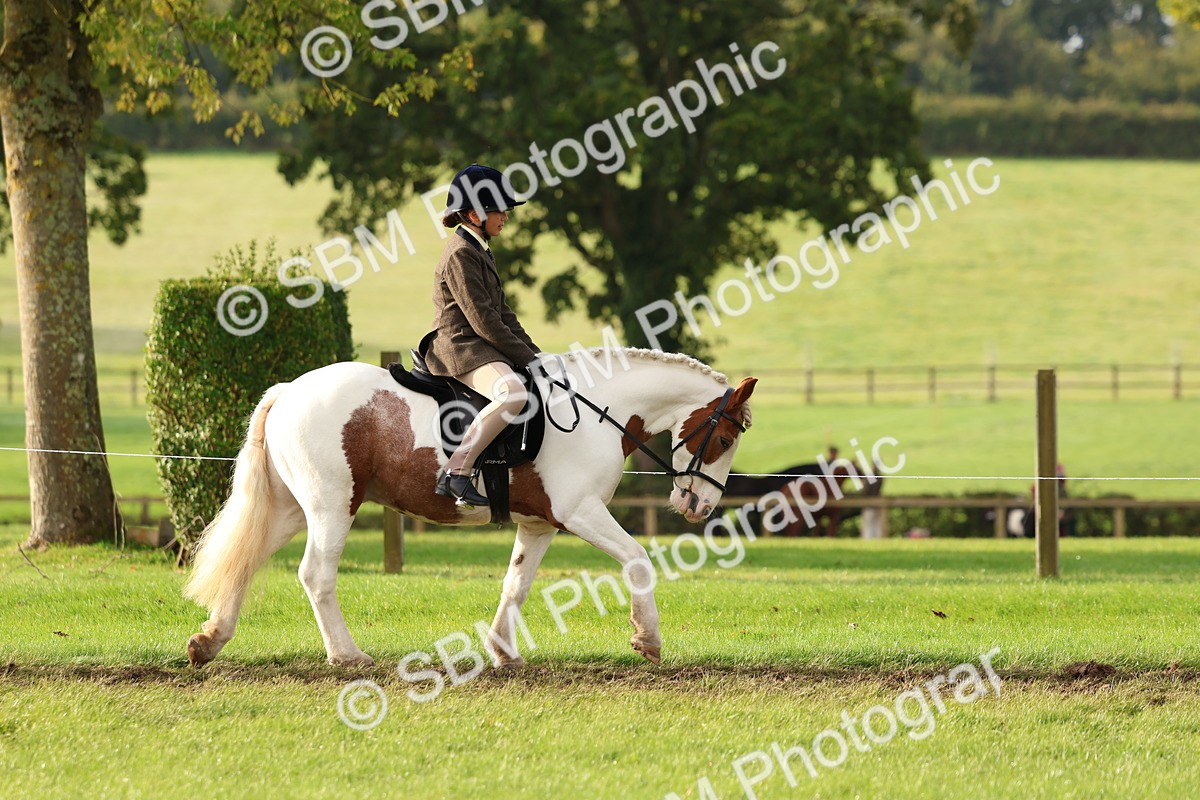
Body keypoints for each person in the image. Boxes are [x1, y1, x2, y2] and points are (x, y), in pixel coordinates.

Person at [422, 164, 542, 508]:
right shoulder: (461, 253)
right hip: (460, 347)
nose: (505, 216)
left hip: (479, 345)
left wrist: (539, 355)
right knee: (513, 393)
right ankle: (456, 473)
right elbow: (483, 321)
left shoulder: (480, 249)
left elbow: (504, 314)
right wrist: (527, 359)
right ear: (474, 213)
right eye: (498, 210)